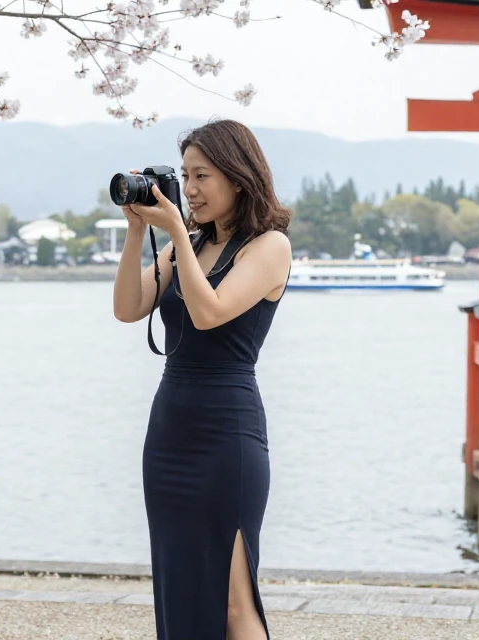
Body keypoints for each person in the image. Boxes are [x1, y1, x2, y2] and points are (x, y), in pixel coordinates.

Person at [111, 118, 292, 640]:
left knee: (234, 600)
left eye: (202, 176)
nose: (189, 189)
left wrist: (175, 236)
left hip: (226, 434)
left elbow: (210, 312)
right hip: (170, 432)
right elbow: (128, 308)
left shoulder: (269, 246)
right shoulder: (186, 243)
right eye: (185, 176)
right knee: (180, 584)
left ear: (238, 176)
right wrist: (137, 231)